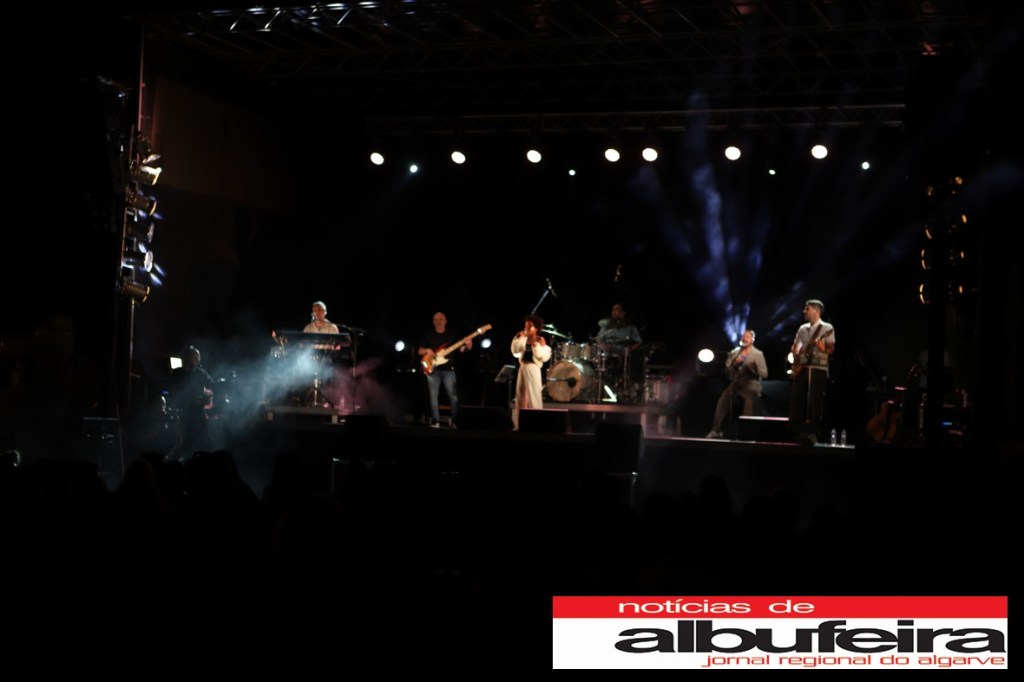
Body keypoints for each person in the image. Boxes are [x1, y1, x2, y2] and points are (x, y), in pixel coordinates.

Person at [788, 299, 835, 445]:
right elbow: (796, 347)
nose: (804, 311)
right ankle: (794, 432)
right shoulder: (803, 328)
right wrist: (795, 354)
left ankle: (814, 432)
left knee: (815, 401)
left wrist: (822, 348)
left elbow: (830, 350)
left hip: (818, 368)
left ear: (816, 310)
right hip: (802, 367)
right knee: (795, 399)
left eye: (807, 309)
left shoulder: (827, 328)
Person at [706, 329, 768, 438]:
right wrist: (733, 364)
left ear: (752, 340)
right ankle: (716, 430)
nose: (744, 338)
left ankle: (746, 432)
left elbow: (765, 374)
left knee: (749, 403)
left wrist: (754, 369)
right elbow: (727, 369)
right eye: (743, 336)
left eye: (747, 337)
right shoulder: (735, 352)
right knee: (723, 401)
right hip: (736, 383)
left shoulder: (758, 354)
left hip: (751, 384)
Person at [417, 311, 470, 428]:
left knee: (453, 397)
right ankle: (435, 422)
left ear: (445, 321)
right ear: (433, 322)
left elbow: (461, 349)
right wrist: (427, 350)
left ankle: (455, 422)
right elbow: (419, 351)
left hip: (449, 370)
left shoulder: (452, 334)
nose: (438, 321)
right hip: (432, 370)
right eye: (436, 319)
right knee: (433, 397)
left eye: (440, 319)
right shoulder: (428, 334)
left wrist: (468, 346)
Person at [168, 346, 214, 457]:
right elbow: (172, 393)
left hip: (197, 414)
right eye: (196, 357)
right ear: (188, 357)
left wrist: (208, 396)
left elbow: (211, 384)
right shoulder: (177, 373)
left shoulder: (200, 373)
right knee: (182, 443)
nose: (198, 360)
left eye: (198, 358)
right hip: (181, 414)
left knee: (200, 442)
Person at [510, 313, 553, 430]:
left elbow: (543, 357)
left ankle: (536, 424)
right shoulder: (522, 338)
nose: (527, 328)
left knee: (534, 396)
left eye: (530, 326)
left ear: (536, 328)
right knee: (520, 397)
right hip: (523, 368)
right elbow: (515, 351)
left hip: (533, 369)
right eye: (526, 326)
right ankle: (518, 425)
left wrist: (536, 345)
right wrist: (519, 338)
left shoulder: (540, 340)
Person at [595, 302, 643, 401]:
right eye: (613, 310)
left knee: (635, 364)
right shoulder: (606, 327)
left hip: (624, 357)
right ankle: (602, 393)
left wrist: (627, 350)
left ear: (623, 313)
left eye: (617, 310)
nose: (614, 312)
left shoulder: (630, 327)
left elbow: (638, 342)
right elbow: (598, 341)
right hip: (608, 356)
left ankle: (630, 392)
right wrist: (604, 346)